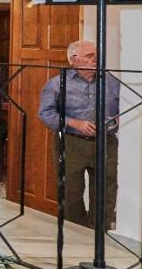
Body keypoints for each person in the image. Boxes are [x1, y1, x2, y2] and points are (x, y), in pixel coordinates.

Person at [38, 39, 120, 229]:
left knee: (105, 191)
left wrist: (114, 120)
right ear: (74, 60)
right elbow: (45, 114)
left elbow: (127, 108)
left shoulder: (112, 82)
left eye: (97, 56)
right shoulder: (57, 84)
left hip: (105, 143)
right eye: (90, 56)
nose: (96, 61)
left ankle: (98, 234)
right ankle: (76, 232)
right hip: (71, 142)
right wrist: (74, 123)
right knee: (70, 192)